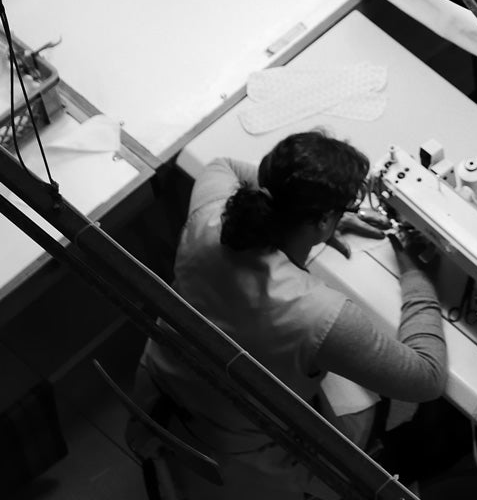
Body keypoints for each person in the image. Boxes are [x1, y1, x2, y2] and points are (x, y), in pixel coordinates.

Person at [136, 130, 446, 497]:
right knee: (412, 423)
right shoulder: (318, 313)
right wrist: (417, 275)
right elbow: (427, 377)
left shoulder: (209, 216)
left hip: (165, 391)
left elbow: (225, 165)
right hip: (237, 455)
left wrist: (306, 219)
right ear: (320, 222)